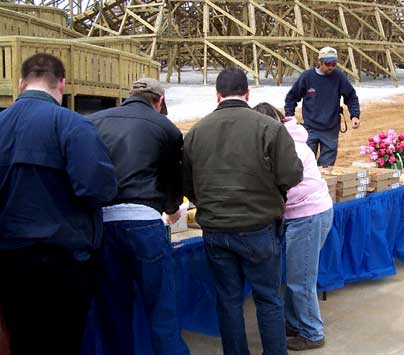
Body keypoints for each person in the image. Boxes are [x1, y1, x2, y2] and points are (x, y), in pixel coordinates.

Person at [0, 53, 117, 355]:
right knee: (63, 342)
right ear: (62, 84)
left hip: (10, 258)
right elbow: (97, 188)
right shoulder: (73, 126)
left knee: (22, 339)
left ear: (21, 84)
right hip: (63, 261)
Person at [181, 68, 303, 355]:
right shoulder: (269, 128)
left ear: (217, 95)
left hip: (215, 230)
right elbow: (292, 175)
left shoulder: (196, 132)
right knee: (268, 299)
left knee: (228, 300)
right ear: (248, 94)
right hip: (258, 228)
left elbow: (188, 184)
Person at [88, 78, 189, 355]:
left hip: (104, 222)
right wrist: (171, 207)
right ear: (158, 101)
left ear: (128, 96)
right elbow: (172, 177)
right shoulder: (164, 127)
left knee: (114, 311)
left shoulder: (95, 121)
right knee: (161, 309)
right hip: (144, 222)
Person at [253, 103, 334, 351]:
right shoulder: (286, 143)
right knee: (294, 276)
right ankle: (293, 323)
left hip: (307, 216)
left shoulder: (290, 148)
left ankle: (311, 331)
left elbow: (282, 187)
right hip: (301, 216)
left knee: (301, 279)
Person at [284, 46, 361, 167]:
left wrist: (355, 115)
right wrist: (290, 117)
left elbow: (351, 97)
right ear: (320, 62)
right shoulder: (307, 77)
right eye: (327, 64)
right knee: (306, 164)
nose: (331, 67)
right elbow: (291, 97)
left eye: (334, 64)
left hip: (330, 129)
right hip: (310, 128)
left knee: (327, 168)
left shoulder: (339, 77)